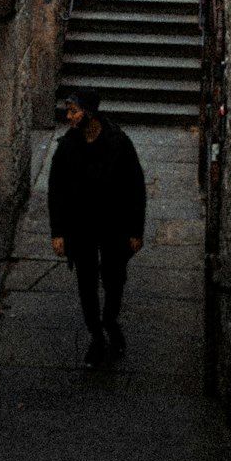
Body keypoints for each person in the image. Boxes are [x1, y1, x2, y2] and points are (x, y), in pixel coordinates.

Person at [48, 88, 146, 368]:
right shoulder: (67, 146)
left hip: (113, 223)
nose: (68, 117)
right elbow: (56, 192)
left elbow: (135, 188)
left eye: (73, 111)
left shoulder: (118, 142)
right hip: (81, 226)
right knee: (86, 282)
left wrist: (135, 230)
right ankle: (95, 335)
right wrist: (58, 232)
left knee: (114, 278)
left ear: (87, 113)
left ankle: (110, 320)